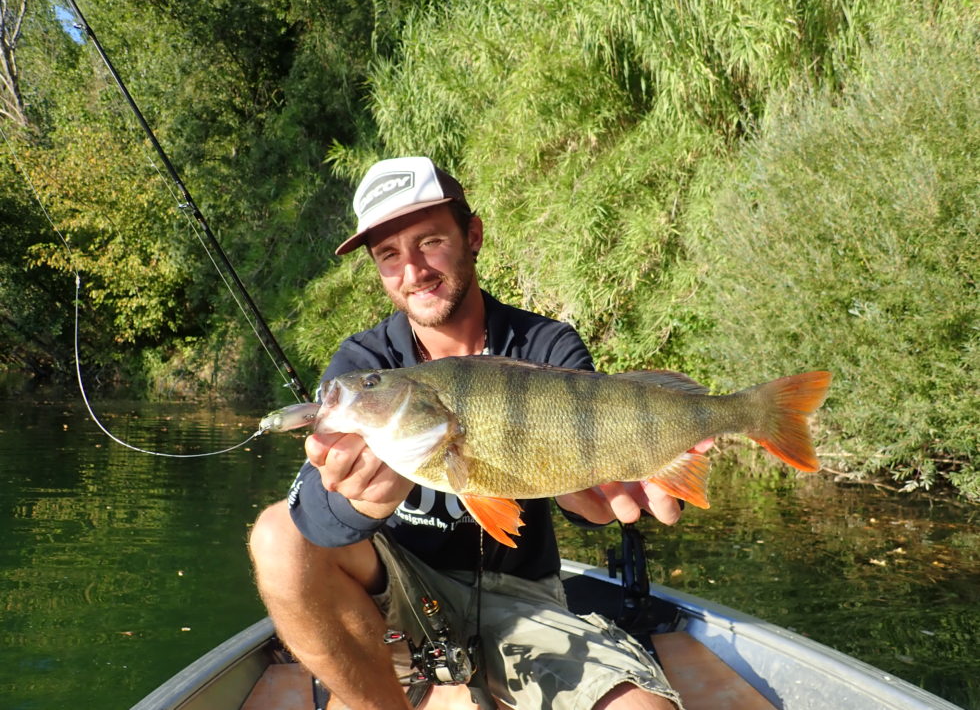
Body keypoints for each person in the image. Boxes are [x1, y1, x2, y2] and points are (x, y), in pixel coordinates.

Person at [249, 156, 701, 709]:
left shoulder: (546, 346)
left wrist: (595, 496)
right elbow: (315, 520)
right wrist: (357, 506)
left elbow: (591, 493)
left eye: (430, 241)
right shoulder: (366, 368)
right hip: (399, 597)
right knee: (276, 537)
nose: (412, 270)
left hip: (524, 600)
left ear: (473, 235)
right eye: (389, 255)